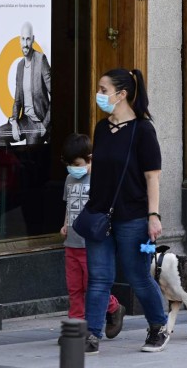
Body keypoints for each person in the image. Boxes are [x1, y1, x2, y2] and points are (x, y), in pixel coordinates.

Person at [84, 68, 167, 354]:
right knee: (98, 278)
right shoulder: (101, 128)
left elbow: (152, 177)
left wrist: (153, 216)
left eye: (103, 90)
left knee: (137, 277)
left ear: (122, 95)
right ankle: (92, 334)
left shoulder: (143, 130)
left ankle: (158, 326)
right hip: (99, 215)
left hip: (132, 216)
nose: (99, 95)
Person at [59, 133, 125, 344]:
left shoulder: (100, 179)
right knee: (74, 288)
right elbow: (69, 205)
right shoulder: (69, 179)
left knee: (93, 287)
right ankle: (76, 327)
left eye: (77, 164)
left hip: (91, 244)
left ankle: (113, 307)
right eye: (69, 164)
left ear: (90, 159)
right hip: (71, 244)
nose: (73, 168)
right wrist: (65, 223)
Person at [0, 22, 51, 146]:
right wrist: (14, 121)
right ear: (19, 40)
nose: (25, 44)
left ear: (33, 40)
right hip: (25, 121)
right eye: (23, 39)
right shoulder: (20, 66)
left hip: (38, 121)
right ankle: (11, 163)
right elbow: (17, 100)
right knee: (0, 134)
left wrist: (44, 125)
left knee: (30, 153)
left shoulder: (41, 60)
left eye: (28, 39)